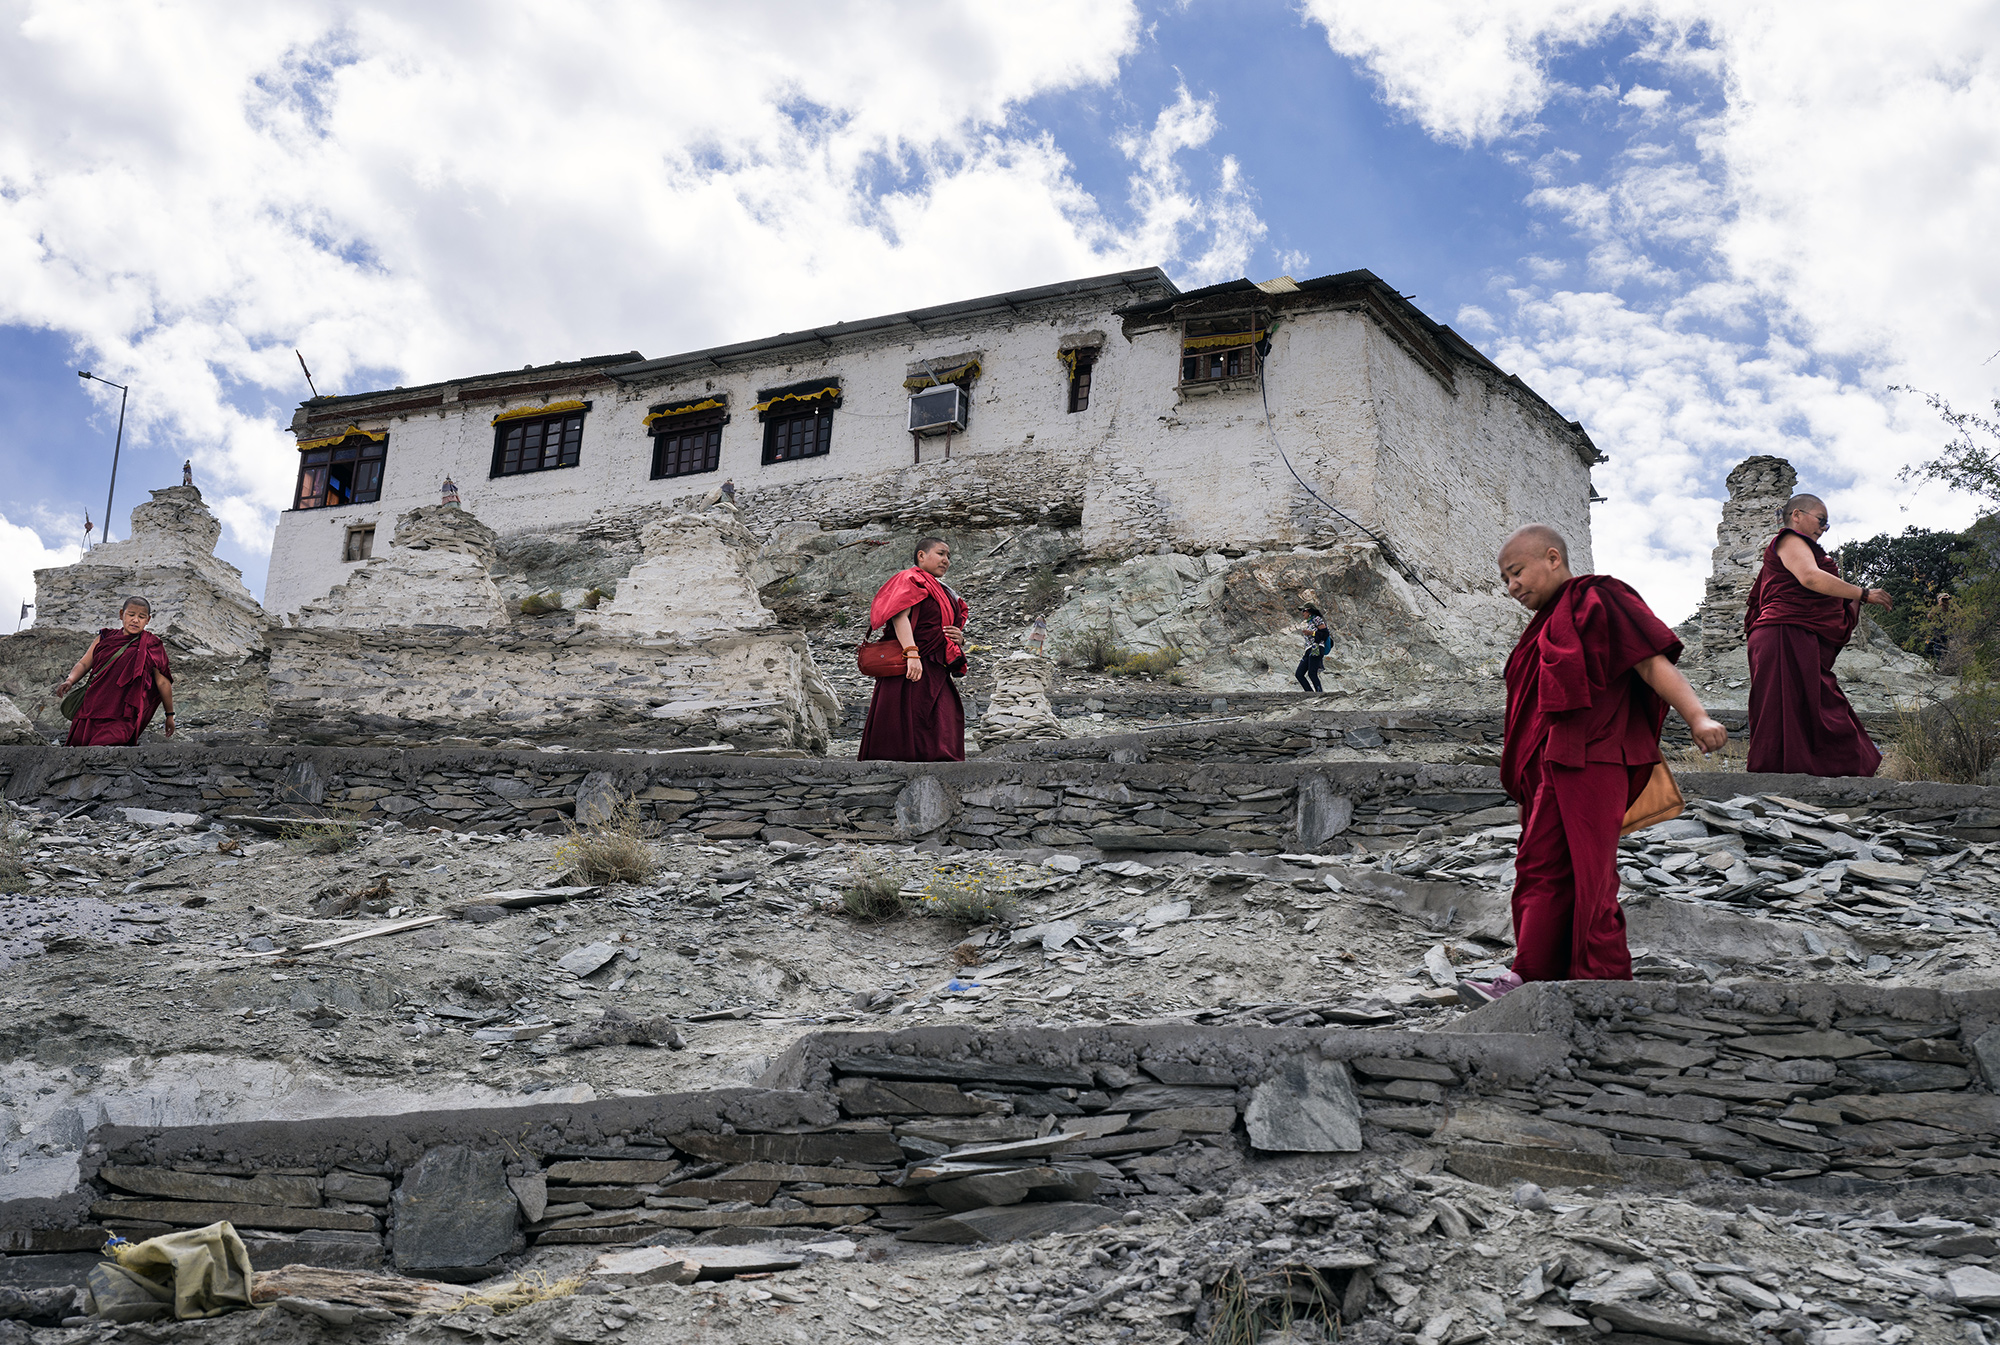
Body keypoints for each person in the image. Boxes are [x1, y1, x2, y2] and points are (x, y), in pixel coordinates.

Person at [1466, 525, 1727, 1001]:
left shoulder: (1599, 598)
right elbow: (1533, 717)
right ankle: (1529, 975)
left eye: (1517, 572)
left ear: (1552, 558)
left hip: (1597, 757)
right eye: (1505, 580)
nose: (1512, 588)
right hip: (1552, 766)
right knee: (1538, 867)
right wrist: (1530, 788)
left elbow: (1650, 664)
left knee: (1590, 871)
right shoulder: (1539, 630)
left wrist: (1698, 715)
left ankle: (1600, 982)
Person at [1744, 494, 1888, 776]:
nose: (1823, 528)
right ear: (1796, 515)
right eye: (1821, 520)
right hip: (1784, 632)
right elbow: (1809, 577)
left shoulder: (1805, 547)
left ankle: (1815, 777)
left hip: (1794, 634)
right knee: (1786, 708)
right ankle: (1774, 779)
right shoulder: (1790, 540)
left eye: (1827, 525)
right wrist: (1862, 593)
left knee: (1814, 704)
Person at [859, 539, 970, 761]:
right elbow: (900, 616)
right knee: (904, 717)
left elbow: (940, 624)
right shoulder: (910, 579)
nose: (946, 560)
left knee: (944, 716)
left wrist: (959, 638)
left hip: (936, 664)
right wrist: (911, 654)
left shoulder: (944, 590)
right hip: (911, 663)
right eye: (940, 553)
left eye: (948, 556)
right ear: (921, 555)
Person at [55, 597, 176, 746]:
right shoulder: (105, 638)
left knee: (110, 746)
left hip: (123, 713)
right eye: (131, 615)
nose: (135, 620)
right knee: (79, 749)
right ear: (121, 614)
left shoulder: (152, 645)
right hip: (92, 705)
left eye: (141, 617)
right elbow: (84, 663)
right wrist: (70, 680)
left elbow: (162, 682)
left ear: (148, 620)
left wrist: (169, 715)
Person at [1295, 606, 1331, 694]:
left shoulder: (1317, 619)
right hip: (1308, 649)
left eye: (1303, 611)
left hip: (1316, 647)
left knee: (1312, 673)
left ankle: (1319, 693)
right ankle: (1310, 693)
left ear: (1309, 611)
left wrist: (1312, 633)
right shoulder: (1309, 622)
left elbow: (1325, 633)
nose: (1302, 613)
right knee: (1299, 674)